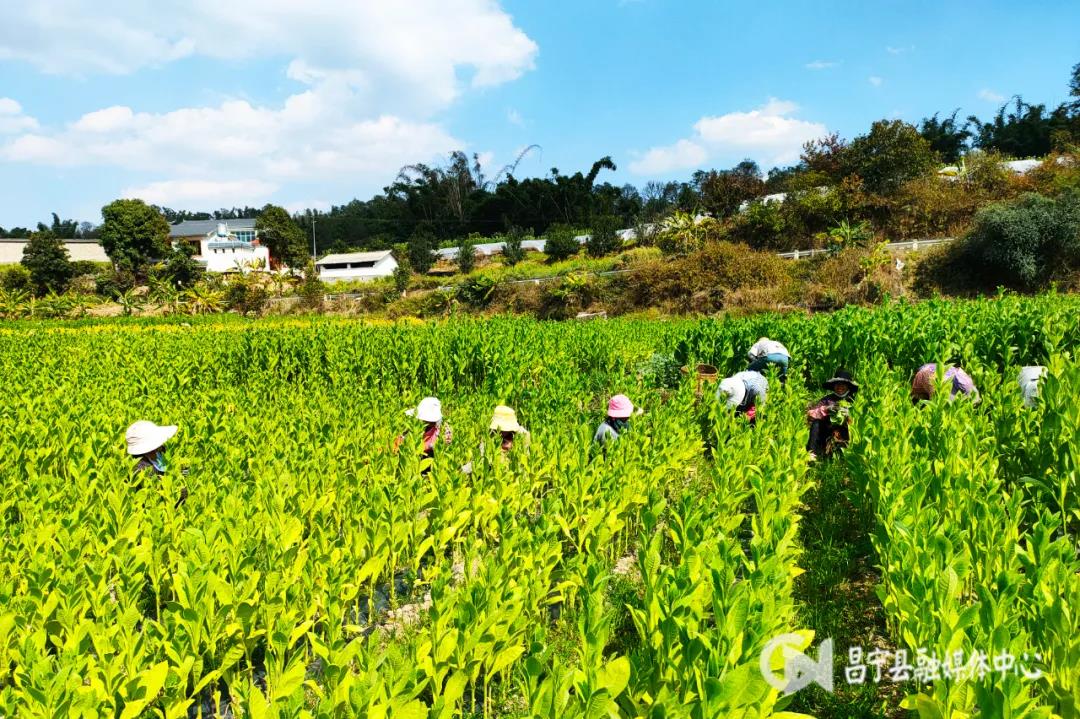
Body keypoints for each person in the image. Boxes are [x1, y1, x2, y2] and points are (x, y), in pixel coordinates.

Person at [126, 420, 187, 507]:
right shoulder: (141, 470)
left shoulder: (161, 452)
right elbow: (164, 498)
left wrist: (183, 472)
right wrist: (180, 482)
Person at [806, 370, 858, 459]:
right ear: (833, 386)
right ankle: (812, 454)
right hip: (827, 432)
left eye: (843, 384)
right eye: (837, 384)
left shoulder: (854, 400)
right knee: (816, 423)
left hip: (846, 433)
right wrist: (827, 409)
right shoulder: (827, 399)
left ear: (848, 386)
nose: (840, 387)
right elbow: (811, 415)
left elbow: (860, 418)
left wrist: (849, 414)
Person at [396, 396, 453, 462]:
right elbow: (402, 438)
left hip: (432, 460)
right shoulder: (415, 426)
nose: (424, 421)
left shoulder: (444, 429)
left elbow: (445, 448)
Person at [911, 363, 979, 403]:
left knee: (937, 401)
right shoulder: (928, 374)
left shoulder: (966, 381)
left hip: (936, 373)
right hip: (931, 374)